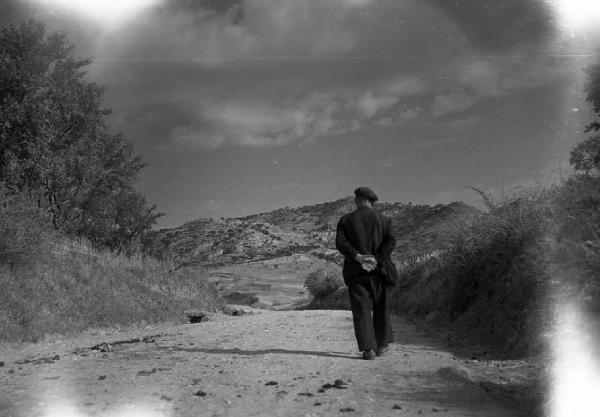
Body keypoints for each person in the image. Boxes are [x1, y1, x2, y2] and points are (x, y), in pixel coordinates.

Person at [335, 186, 397, 360]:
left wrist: (358, 257)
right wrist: (376, 258)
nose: (354, 201)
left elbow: (340, 243)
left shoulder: (345, 220)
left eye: (357, 198)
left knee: (361, 310)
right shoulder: (385, 220)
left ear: (363, 200)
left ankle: (368, 349)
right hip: (380, 271)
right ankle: (383, 345)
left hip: (356, 272)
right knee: (381, 307)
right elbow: (391, 241)